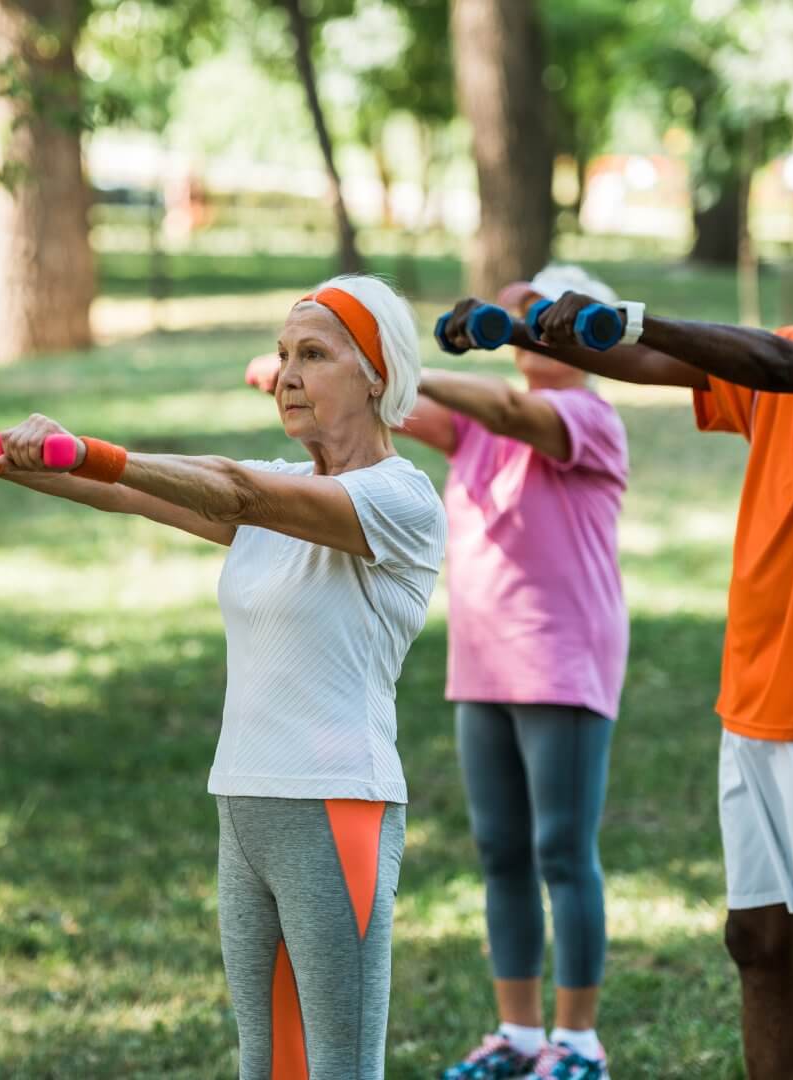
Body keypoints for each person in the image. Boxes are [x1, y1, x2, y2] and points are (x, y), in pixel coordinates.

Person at [0, 274, 445, 1078]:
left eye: (316, 355)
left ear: (378, 375)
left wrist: (86, 446)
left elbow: (229, 487)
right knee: (266, 1063)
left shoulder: (399, 500)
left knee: (340, 1064)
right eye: (284, 353)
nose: (289, 374)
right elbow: (121, 492)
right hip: (246, 802)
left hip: (338, 804)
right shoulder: (275, 491)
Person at [456, 193, 793, 1080]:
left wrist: (636, 314)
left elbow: (760, 360)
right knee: (756, 938)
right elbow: (650, 361)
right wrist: (514, 332)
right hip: (752, 692)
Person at [247, 265, 629, 1080]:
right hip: (485, 666)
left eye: (541, 320)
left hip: (561, 664)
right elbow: (386, 403)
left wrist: (434, 356)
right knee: (500, 851)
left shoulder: (586, 416)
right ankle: (521, 1034)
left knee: (562, 850)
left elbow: (503, 404)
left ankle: (580, 1042)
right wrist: (306, 376)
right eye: (519, 316)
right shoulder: (476, 427)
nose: (525, 331)